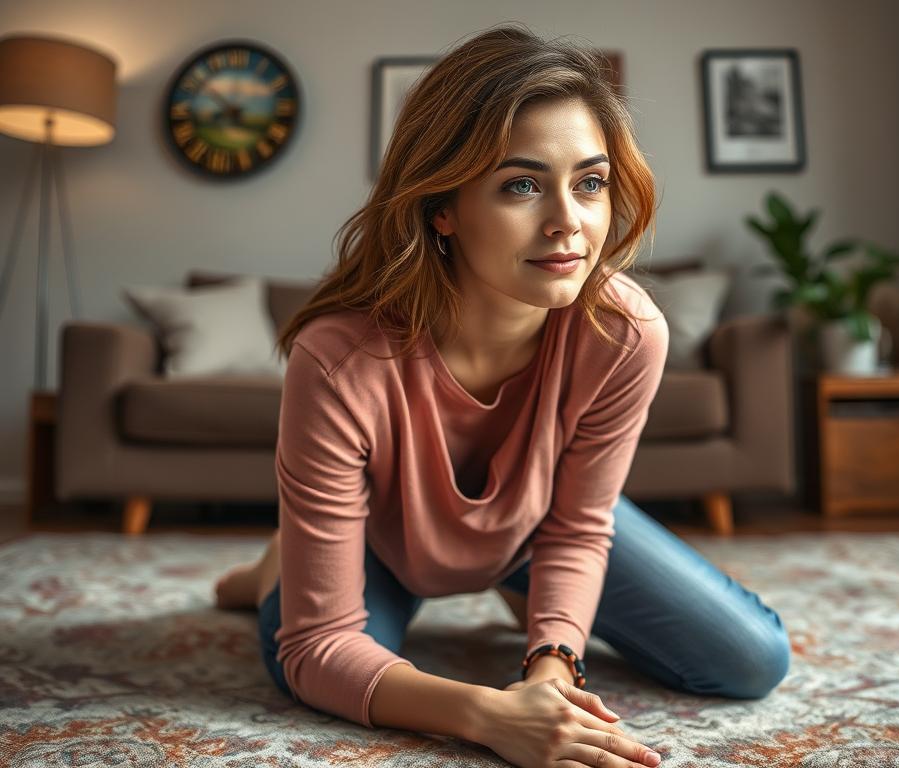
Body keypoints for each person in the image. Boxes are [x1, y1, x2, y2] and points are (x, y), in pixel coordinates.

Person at [213, 22, 790, 768]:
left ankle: (509, 579)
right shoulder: (337, 360)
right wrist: (489, 714)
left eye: (589, 183)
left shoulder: (627, 332)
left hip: (540, 521)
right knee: (309, 667)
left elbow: (581, 525)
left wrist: (551, 667)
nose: (568, 224)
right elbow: (319, 647)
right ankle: (284, 557)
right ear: (441, 207)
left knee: (751, 662)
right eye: (522, 185)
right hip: (384, 536)